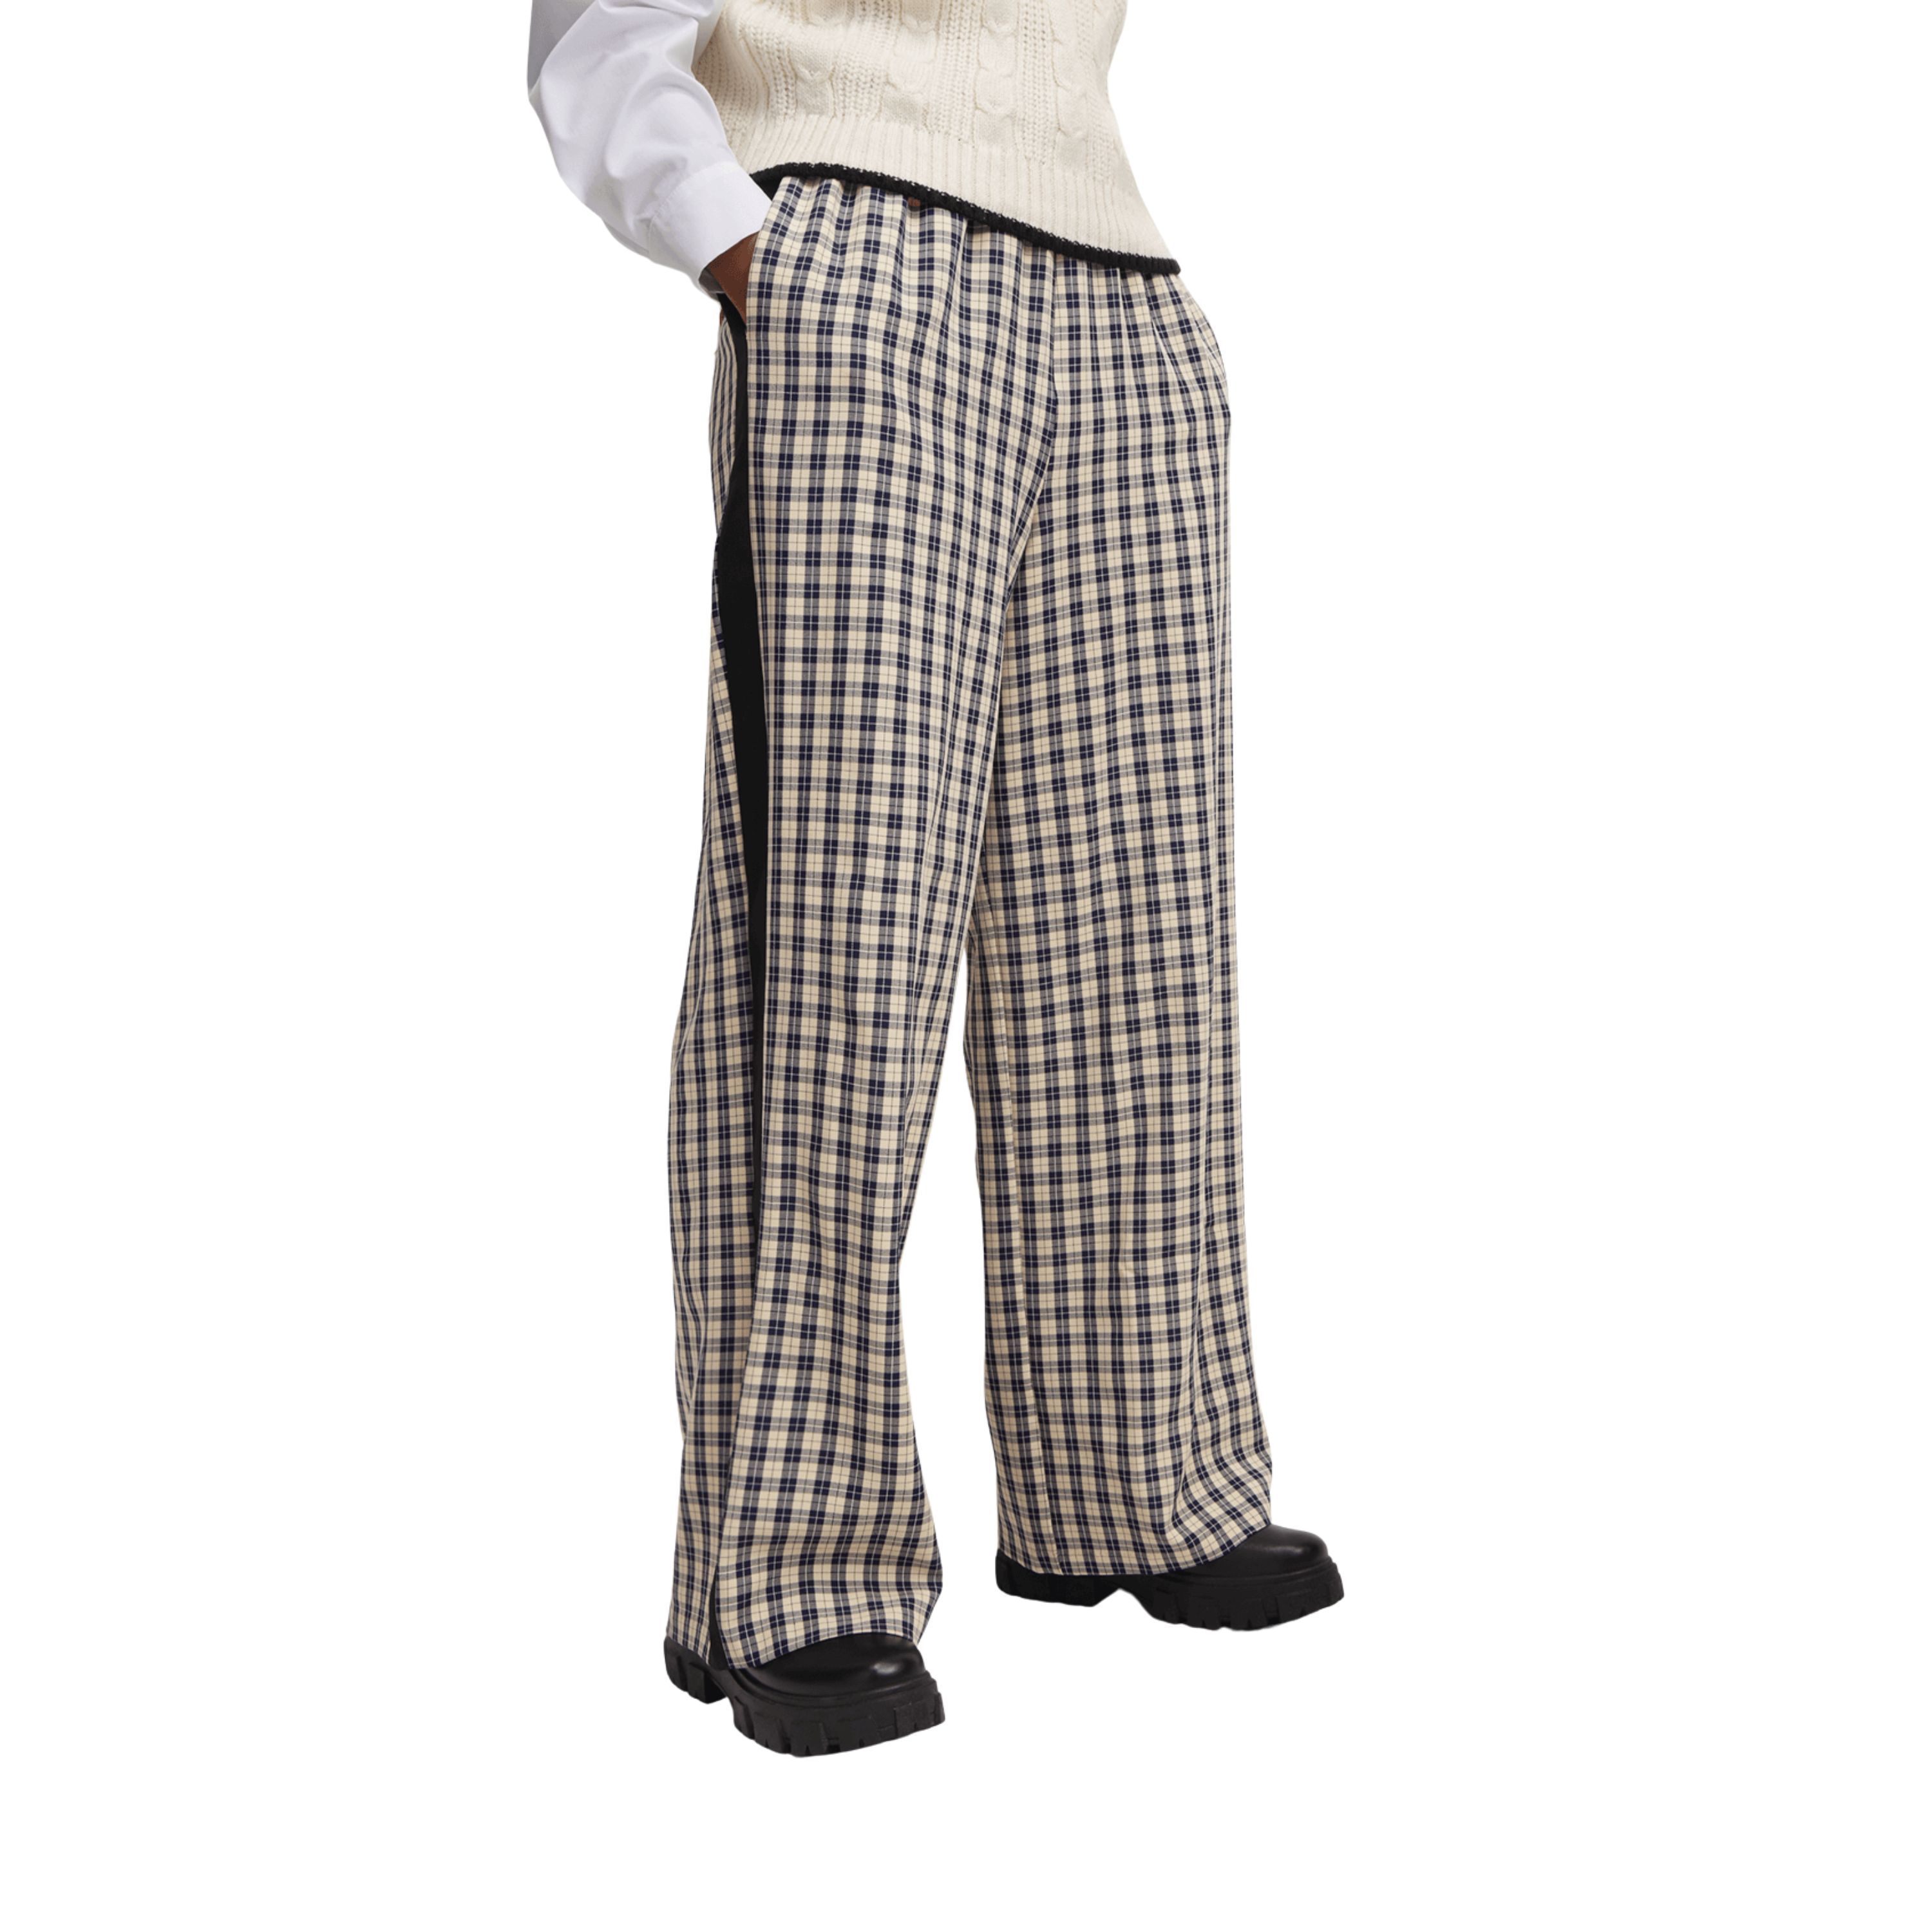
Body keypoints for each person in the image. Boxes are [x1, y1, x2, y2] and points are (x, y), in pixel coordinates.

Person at [528, 0, 1342, 1757]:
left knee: (1133, 945)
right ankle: (792, 1569)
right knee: (840, 939)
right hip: (860, 260)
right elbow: (597, 37)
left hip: (1123, 287)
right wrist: (742, 248)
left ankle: (1139, 1481)